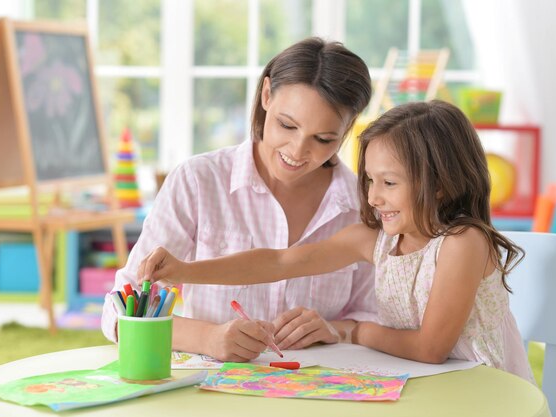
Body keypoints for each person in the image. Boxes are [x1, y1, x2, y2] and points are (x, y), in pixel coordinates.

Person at [140, 100, 534, 382]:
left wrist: (351, 330)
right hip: (426, 383)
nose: (373, 197)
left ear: (441, 186)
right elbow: (280, 262)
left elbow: (431, 348)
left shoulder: (462, 242)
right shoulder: (374, 239)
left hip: (484, 390)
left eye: (389, 183)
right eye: (369, 181)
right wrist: (185, 269)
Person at [101, 37, 377, 362]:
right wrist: (208, 338)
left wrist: (336, 329)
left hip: (317, 391)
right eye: (286, 125)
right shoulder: (199, 181)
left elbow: (377, 316)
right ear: (266, 95)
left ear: (347, 129)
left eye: (323, 139)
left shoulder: (365, 205)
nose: (298, 151)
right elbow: (119, 314)